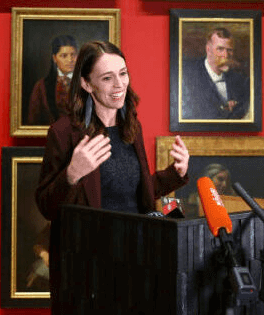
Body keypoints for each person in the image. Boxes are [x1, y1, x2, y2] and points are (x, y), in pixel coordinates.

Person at [35, 41, 189, 307]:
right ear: (86, 84)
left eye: (123, 73)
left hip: (136, 263)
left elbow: (135, 193)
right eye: (107, 78)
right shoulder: (63, 133)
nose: (119, 85)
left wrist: (176, 173)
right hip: (88, 273)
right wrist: (72, 173)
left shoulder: (132, 127)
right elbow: (46, 206)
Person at [181, 27, 250, 119]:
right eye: (220, 49)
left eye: (229, 50)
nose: (226, 55)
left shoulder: (240, 79)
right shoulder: (187, 75)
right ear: (208, 49)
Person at [27, 35, 78, 125]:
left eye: (73, 55)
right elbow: (32, 122)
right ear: (54, 58)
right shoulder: (41, 86)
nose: (70, 60)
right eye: (64, 56)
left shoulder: (88, 84)